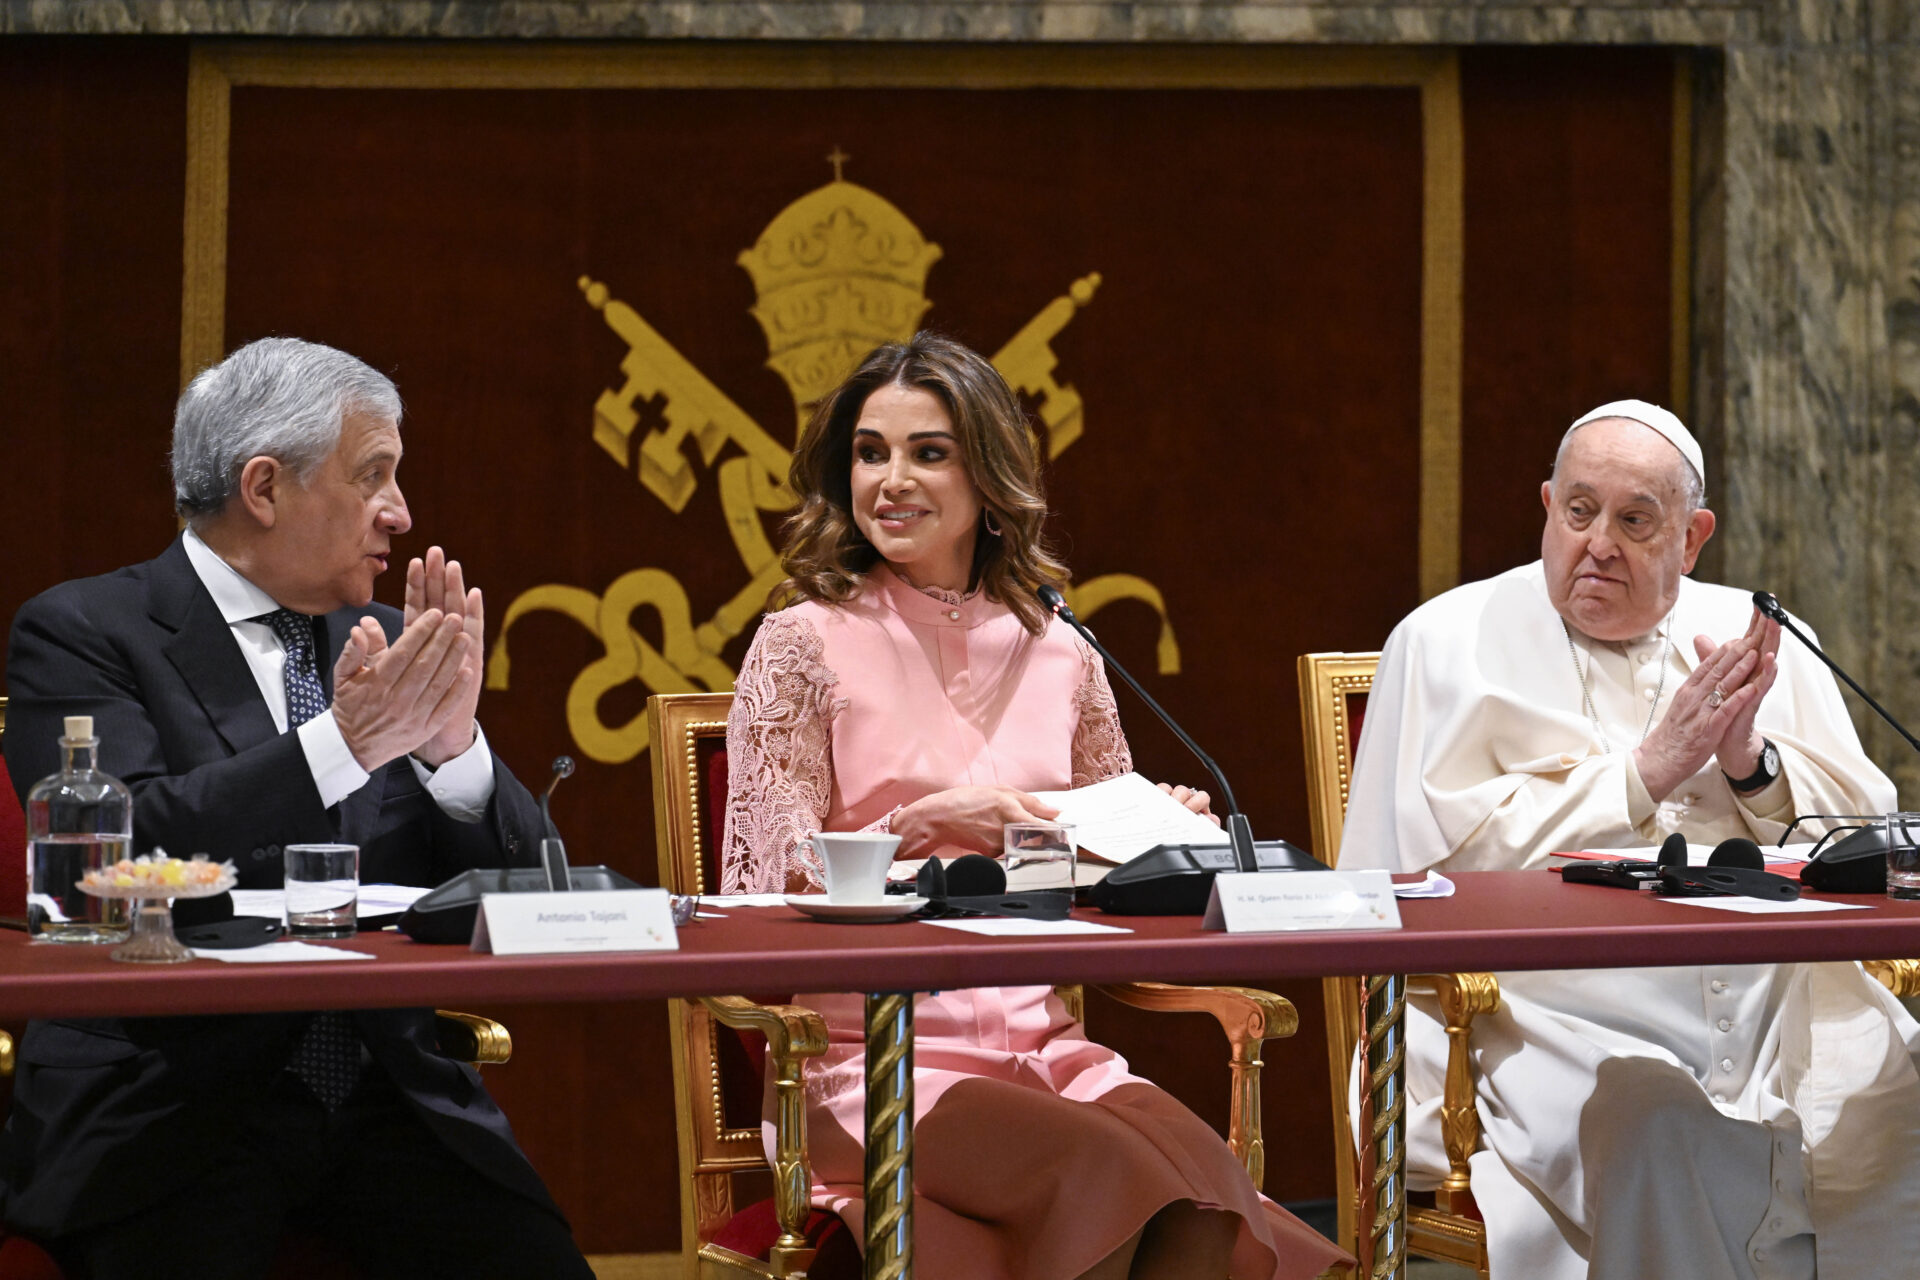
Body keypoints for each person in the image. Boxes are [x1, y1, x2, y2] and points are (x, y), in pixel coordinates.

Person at [723, 332, 1346, 1280]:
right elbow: (760, 889)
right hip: (872, 1063)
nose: (891, 479)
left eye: (928, 452)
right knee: (1107, 1169)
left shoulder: (1063, 648)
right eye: (869, 451)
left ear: (989, 475)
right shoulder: (800, 642)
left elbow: (1087, 883)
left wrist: (1149, 832)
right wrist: (921, 827)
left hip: (1045, 1048)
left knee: (1209, 1198)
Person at [1, 338, 594, 1279]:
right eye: (374, 477)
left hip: (389, 1102)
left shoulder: (390, 645)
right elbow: (120, 854)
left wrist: (452, 749)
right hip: (169, 1109)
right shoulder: (84, 632)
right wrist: (346, 744)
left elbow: (535, 886)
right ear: (265, 488)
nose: (401, 513)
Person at [1340, 399, 1920, 1279]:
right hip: (1546, 1020)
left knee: (1892, 1105)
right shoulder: (1444, 644)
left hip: (1772, 1020)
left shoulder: (1757, 638)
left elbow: (1861, 834)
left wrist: (1749, 764)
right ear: (1547, 508)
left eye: (1635, 520)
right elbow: (1421, 876)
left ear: (1692, 540)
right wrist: (1643, 773)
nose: (1599, 542)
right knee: (1652, 1119)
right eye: (1579, 512)